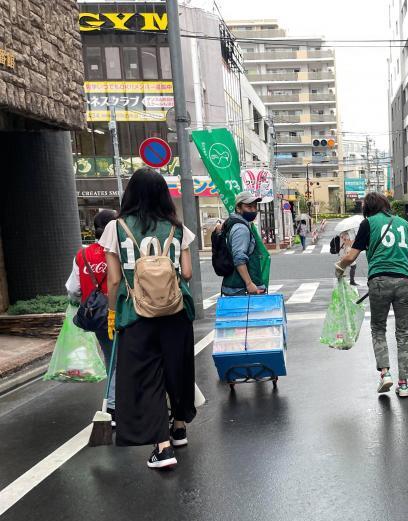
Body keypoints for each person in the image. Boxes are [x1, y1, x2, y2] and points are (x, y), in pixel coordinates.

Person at [100, 168, 197, 470]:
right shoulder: (176, 228)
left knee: (147, 378)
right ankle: (178, 427)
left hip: (135, 315)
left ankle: (163, 448)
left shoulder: (115, 228)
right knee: (176, 370)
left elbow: (114, 280)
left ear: (131, 194)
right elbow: (189, 273)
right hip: (175, 313)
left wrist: (112, 312)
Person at [335, 192, 408, 397]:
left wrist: (339, 267)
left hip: (380, 281)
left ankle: (385, 374)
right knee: (404, 332)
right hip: (406, 280)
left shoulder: (368, 223)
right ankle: (404, 384)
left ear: (367, 209)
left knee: (379, 328)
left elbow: (352, 255)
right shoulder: (404, 225)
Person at [65, 209, 118, 424]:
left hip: (95, 315)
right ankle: (114, 407)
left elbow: (73, 289)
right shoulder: (116, 252)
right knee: (119, 361)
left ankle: (116, 403)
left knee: (111, 358)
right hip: (117, 313)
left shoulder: (82, 255)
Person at [221, 190, 266, 296]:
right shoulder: (241, 228)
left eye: (254, 207)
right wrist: (249, 283)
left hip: (236, 286)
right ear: (238, 208)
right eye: (249, 207)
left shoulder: (235, 224)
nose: (253, 210)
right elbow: (239, 258)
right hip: (241, 289)